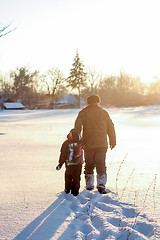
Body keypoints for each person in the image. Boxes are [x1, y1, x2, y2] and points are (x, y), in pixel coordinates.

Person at [74, 95, 116, 194]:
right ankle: (101, 185)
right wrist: (112, 141)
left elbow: (77, 127)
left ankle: (89, 185)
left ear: (88, 102)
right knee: (101, 164)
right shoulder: (103, 112)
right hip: (102, 143)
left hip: (88, 144)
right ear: (98, 101)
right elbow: (110, 127)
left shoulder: (83, 112)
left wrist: (76, 141)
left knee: (89, 164)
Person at [56, 128, 83, 196]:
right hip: (78, 164)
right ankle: (75, 191)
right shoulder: (81, 142)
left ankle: (67, 189)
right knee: (77, 177)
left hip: (69, 164)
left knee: (68, 177)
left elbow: (63, 154)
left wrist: (60, 163)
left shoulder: (66, 143)